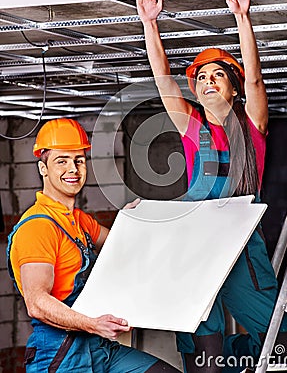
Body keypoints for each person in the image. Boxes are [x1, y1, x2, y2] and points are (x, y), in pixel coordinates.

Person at [136, 0, 287, 372]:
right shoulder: (192, 128)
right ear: (195, 91)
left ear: (234, 89)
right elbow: (163, 80)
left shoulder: (252, 127)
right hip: (197, 250)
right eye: (202, 78)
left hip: (244, 248)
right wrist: (149, 24)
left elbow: (257, 80)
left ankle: (240, 357)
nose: (209, 81)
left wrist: (242, 17)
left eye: (219, 76)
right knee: (203, 355)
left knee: (282, 341)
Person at [7, 118, 180, 373]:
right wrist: (92, 324)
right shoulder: (38, 227)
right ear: (43, 168)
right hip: (61, 355)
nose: (73, 169)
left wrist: (132, 221)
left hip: (99, 348)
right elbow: (37, 303)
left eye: (79, 160)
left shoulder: (79, 221)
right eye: (61, 161)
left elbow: (121, 245)